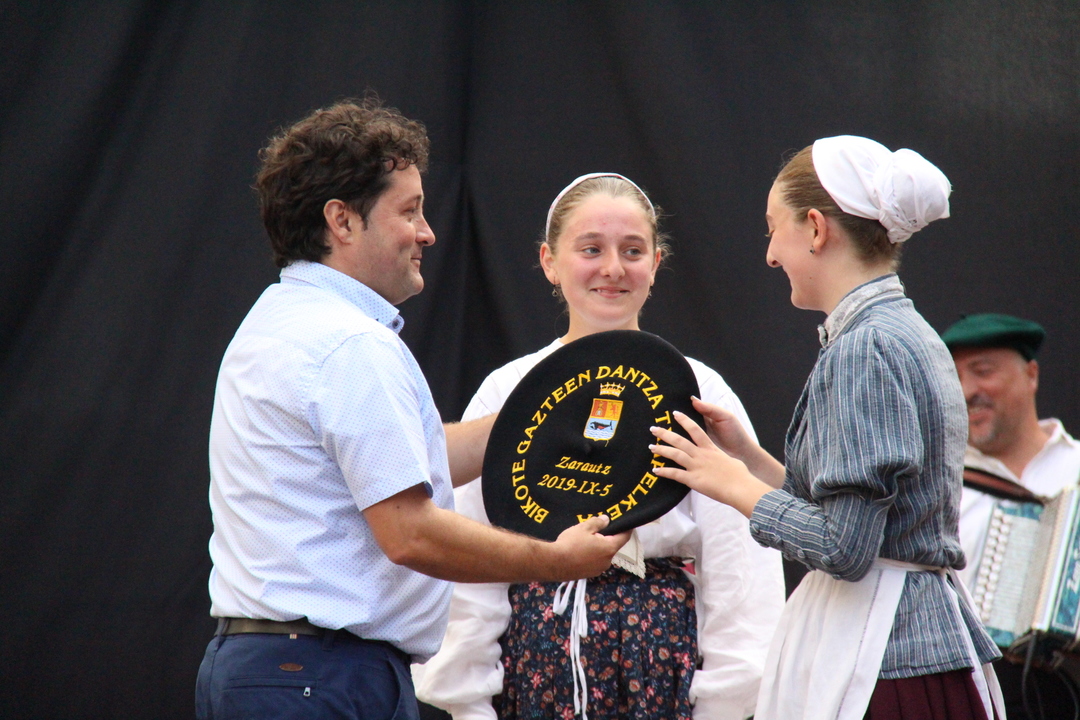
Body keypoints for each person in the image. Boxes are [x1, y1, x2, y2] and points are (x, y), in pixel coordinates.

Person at [195, 100, 628, 720]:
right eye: (409, 211)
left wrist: (552, 419)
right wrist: (558, 561)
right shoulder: (350, 343)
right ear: (342, 221)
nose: (427, 232)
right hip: (319, 678)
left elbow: (402, 462)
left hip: (282, 671)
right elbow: (410, 532)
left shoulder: (282, 317)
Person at [648, 137, 1005, 720]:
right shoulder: (902, 330)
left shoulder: (866, 347)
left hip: (886, 663)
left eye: (773, 229)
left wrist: (730, 485)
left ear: (815, 228)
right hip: (909, 648)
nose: (770, 255)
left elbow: (845, 547)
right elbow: (861, 517)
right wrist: (746, 460)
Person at [414, 173, 786, 720]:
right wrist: (469, 704)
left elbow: (739, 565)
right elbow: (472, 558)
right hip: (536, 665)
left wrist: (724, 703)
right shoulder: (509, 391)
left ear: (655, 264)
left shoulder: (695, 389)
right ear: (549, 261)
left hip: (661, 664)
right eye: (591, 249)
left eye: (632, 251)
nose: (613, 268)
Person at [943, 313, 1080, 718]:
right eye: (955, 377)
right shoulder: (940, 487)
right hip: (969, 697)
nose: (967, 391)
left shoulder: (1075, 470)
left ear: (1031, 374)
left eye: (983, 371)